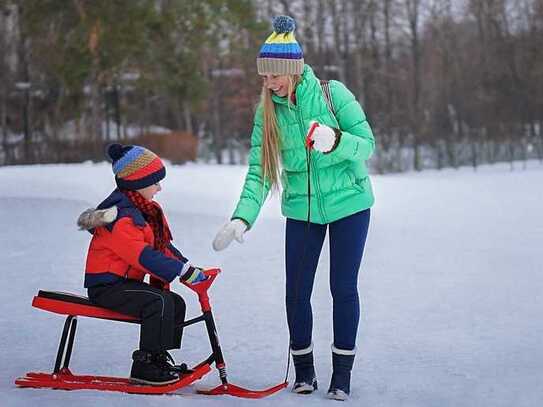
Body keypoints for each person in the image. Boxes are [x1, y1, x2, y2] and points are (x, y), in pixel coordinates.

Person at [212, 16, 375, 401]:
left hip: (350, 205)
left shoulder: (333, 94)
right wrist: (242, 216)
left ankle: (342, 376)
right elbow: (259, 172)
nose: (268, 84)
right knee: (296, 292)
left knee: (342, 288)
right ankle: (304, 373)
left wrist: (335, 141)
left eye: (274, 76)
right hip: (302, 211)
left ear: (292, 69)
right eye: (264, 77)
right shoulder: (267, 113)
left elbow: (366, 144)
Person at [78, 143, 206, 386]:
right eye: (155, 182)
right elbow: (142, 255)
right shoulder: (120, 217)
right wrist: (180, 271)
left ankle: (158, 358)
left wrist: (189, 268)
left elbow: (160, 246)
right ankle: (144, 365)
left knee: (175, 302)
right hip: (107, 287)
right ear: (137, 183)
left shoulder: (143, 211)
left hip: (125, 284)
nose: (159, 187)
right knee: (157, 301)